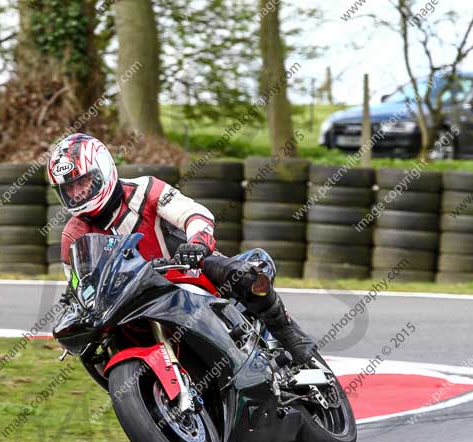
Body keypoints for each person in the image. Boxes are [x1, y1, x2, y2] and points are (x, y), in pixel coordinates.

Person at [47, 133, 318, 368]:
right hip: (130, 300)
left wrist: (197, 243)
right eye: (69, 189)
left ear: (103, 171)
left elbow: (192, 213)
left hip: (182, 270)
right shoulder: (73, 234)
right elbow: (78, 283)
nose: (78, 193)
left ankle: (287, 332)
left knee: (244, 275)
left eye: (82, 182)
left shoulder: (145, 190)